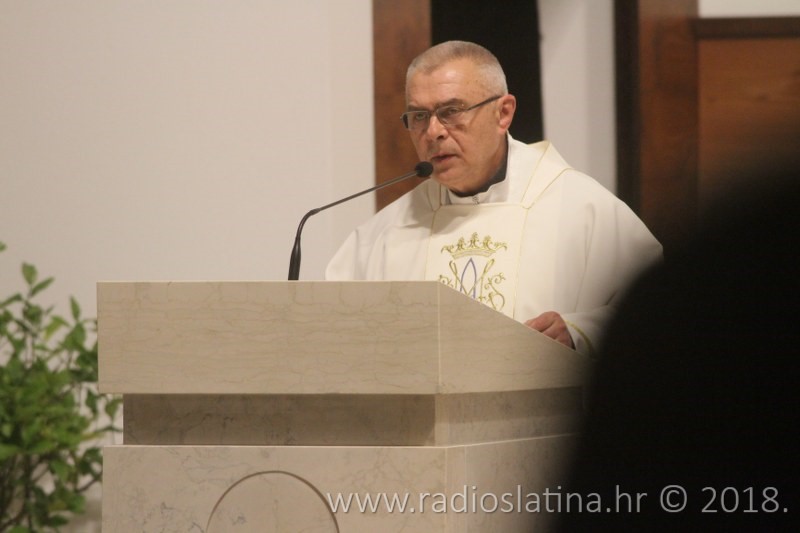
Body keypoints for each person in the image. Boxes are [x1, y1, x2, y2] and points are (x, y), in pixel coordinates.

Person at [326, 41, 661, 355]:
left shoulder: (580, 209)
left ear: (503, 113)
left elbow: (665, 312)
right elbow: (331, 331)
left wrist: (578, 331)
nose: (433, 132)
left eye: (451, 110)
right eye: (419, 116)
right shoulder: (383, 235)